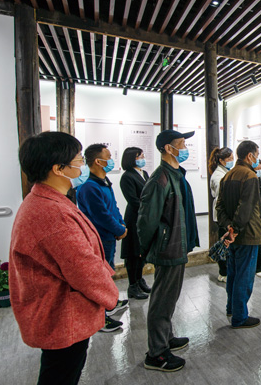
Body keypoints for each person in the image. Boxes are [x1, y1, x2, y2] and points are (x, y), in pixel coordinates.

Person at [9, 132, 119, 385]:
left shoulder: (47, 201)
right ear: (58, 169)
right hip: (61, 315)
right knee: (60, 375)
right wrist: (110, 296)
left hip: (58, 312)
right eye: (78, 160)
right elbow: (82, 267)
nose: (82, 165)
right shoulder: (51, 212)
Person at [138, 129, 199, 372]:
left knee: (169, 297)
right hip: (168, 248)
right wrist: (148, 249)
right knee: (162, 300)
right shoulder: (160, 179)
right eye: (181, 144)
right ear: (168, 148)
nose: (185, 148)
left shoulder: (175, 174)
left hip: (176, 244)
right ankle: (156, 353)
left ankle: (166, 337)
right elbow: (147, 220)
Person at [76, 143, 129, 331]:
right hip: (98, 238)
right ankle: (101, 317)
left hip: (109, 236)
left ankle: (110, 304)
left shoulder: (103, 182)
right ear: (98, 161)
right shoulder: (89, 187)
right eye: (108, 157)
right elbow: (101, 215)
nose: (111, 160)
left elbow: (113, 207)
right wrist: (119, 229)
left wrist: (121, 225)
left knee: (108, 271)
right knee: (99, 277)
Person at [216, 140, 261, 329]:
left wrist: (229, 227)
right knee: (244, 277)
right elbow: (245, 207)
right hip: (247, 234)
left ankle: (231, 308)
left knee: (234, 274)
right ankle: (240, 317)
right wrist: (236, 229)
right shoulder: (250, 176)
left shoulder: (227, 176)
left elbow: (219, 207)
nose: (258, 159)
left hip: (234, 235)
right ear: (250, 156)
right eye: (257, 155)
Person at [120, 147, 151, 300]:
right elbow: (133, 200)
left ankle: (139, 280)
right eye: (139, 156)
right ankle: (132, 285)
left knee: (141, 253)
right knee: (133, 253)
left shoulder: (144, 173)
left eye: (143, 155)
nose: (142, 158)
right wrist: (148, 209)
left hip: (145, 217)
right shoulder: (127, 177)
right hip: (134, 218)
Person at [208, 146, 234, 282]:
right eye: (229, 158)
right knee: (224, 243)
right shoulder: (218, 175)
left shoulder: (226, 172)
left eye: (232, 158)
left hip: (226, 214)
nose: (232, 160)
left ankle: (226, 270)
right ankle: (223, 272)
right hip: (222, 215)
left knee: (227, 242)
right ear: (221, 160)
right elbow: (222, 194)